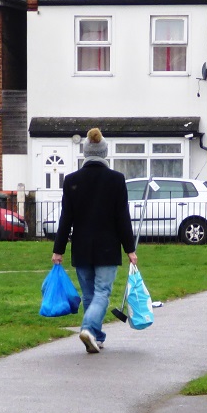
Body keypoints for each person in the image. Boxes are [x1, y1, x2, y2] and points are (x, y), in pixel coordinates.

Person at [52, 128, 137, 354]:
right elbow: (122, 218)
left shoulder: (71, 181)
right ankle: (89, 329)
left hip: (81, 247)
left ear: (85, 153)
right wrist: (130, 249)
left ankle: (96, 338)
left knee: (89, 294)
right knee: (102, 293)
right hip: (108, 248)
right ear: (104, 153)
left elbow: (65, 219)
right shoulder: (116, 180)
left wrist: (58, 250)